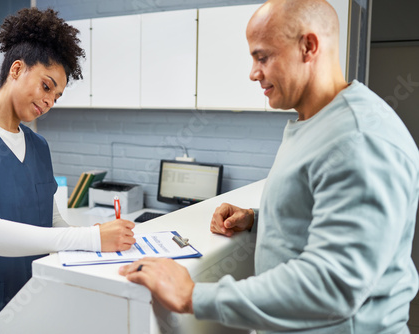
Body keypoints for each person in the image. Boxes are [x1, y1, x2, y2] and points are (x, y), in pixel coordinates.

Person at [119, 0, 419, 332]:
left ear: (308, 46)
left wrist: (194, 296)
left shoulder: (358, 139)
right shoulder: (313, 122)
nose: (253, 73)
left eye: (263, 57)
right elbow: (321, 213)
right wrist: (256, 220)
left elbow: (334, 286)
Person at [0, 8, 136, 334]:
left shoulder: (38, 147)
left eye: (57, 96)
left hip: (22, 299)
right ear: (17, 70)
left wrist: (101, 242)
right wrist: (91, 237)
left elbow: (52, 221)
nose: (49, 101)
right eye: (46, 86)